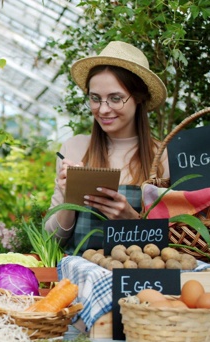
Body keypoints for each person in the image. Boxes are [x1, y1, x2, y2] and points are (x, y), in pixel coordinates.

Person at [44, 41, 170, 254]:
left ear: (138, 98)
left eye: (115, 98)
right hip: (78, 280)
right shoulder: (74, 148)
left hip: (139, 281)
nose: (103, 109)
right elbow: (51, 242)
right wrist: (69, 199)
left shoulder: (162, 156)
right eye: (95, 98)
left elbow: (174, 244)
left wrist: (132, 220)